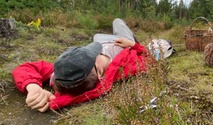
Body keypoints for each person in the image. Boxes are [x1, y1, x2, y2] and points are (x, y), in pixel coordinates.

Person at [12, 18, 149, 112]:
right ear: (100, 73)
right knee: (117, 22)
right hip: (124, 42)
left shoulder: (63, 73)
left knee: (97, 36)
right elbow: (150, 59)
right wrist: (133, 44)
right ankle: (133, 36)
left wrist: (33, 87)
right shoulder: (126, 66)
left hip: (101, 41)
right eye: (92, 56)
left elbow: (24, 68)